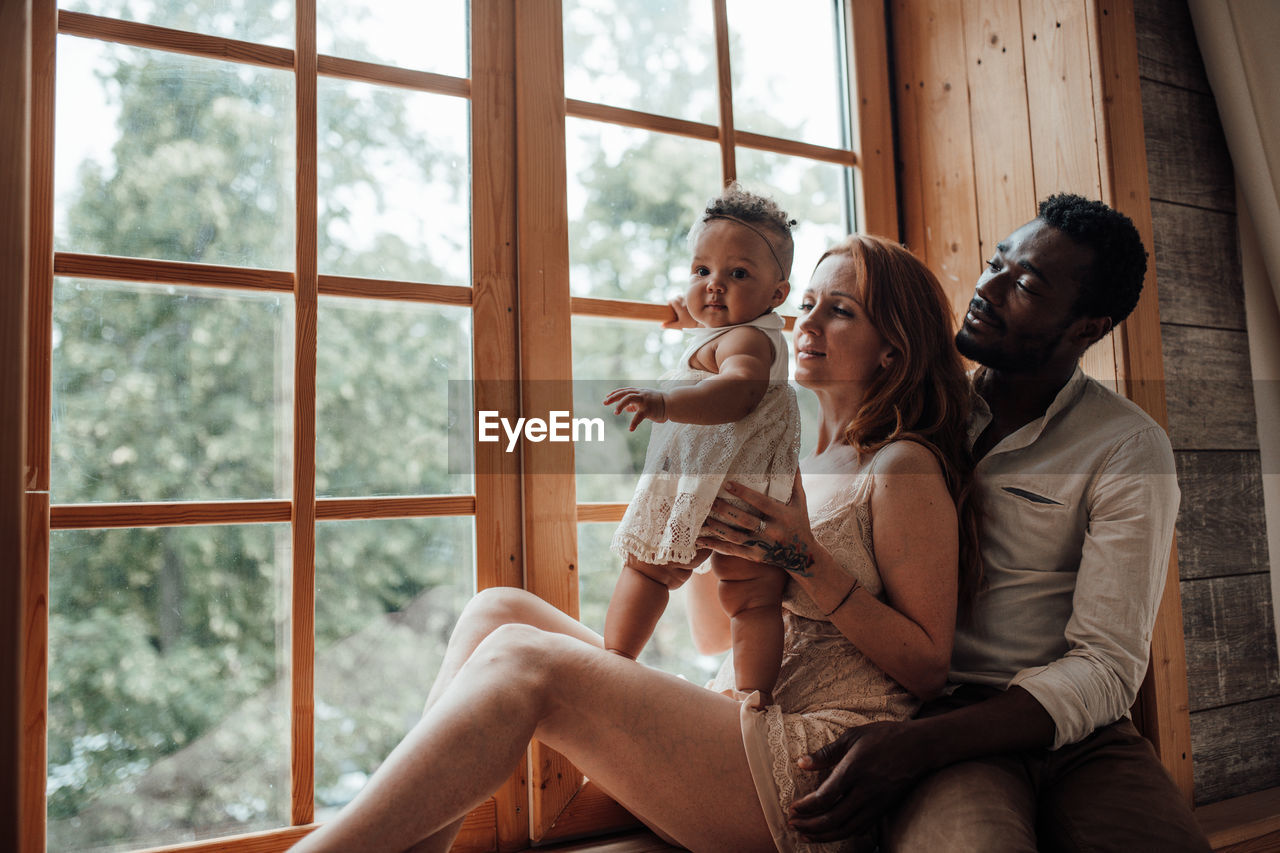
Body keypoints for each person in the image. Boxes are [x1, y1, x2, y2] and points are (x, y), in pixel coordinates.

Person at [290, 233, 979, 853]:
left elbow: (925, 666)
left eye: (842, 310)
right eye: (809, 302)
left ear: (893, 345)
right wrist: (693, 529)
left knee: (524, 658)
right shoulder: (791, 454)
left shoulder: (901, 466)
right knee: (497, 611)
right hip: (736, 716)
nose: (809, 324)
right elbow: (715, 634)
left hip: (813, 763)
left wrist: (805, 559)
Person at [785, 195, 1213, 852]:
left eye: (1026, 285)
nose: (986, 288)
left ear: (1087, 327)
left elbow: (1106, 664)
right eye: (995, 263)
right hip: (939, 716)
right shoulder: (922, 409)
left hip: (1078, 736)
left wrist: (918, 744)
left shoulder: (1127, 446)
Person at [603, 185, 801, 701]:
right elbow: (708, 317)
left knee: (648, 569)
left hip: (707, 485)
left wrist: (664, 403)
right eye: (701, 272)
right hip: (750, 492)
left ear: (776, 294)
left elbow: (737, 391)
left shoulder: (747, 342)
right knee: (753, 598)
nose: (714, 286)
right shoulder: (747, 325)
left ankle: (614, 659)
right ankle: (753, 697)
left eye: (737, 274)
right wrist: (685, 312)